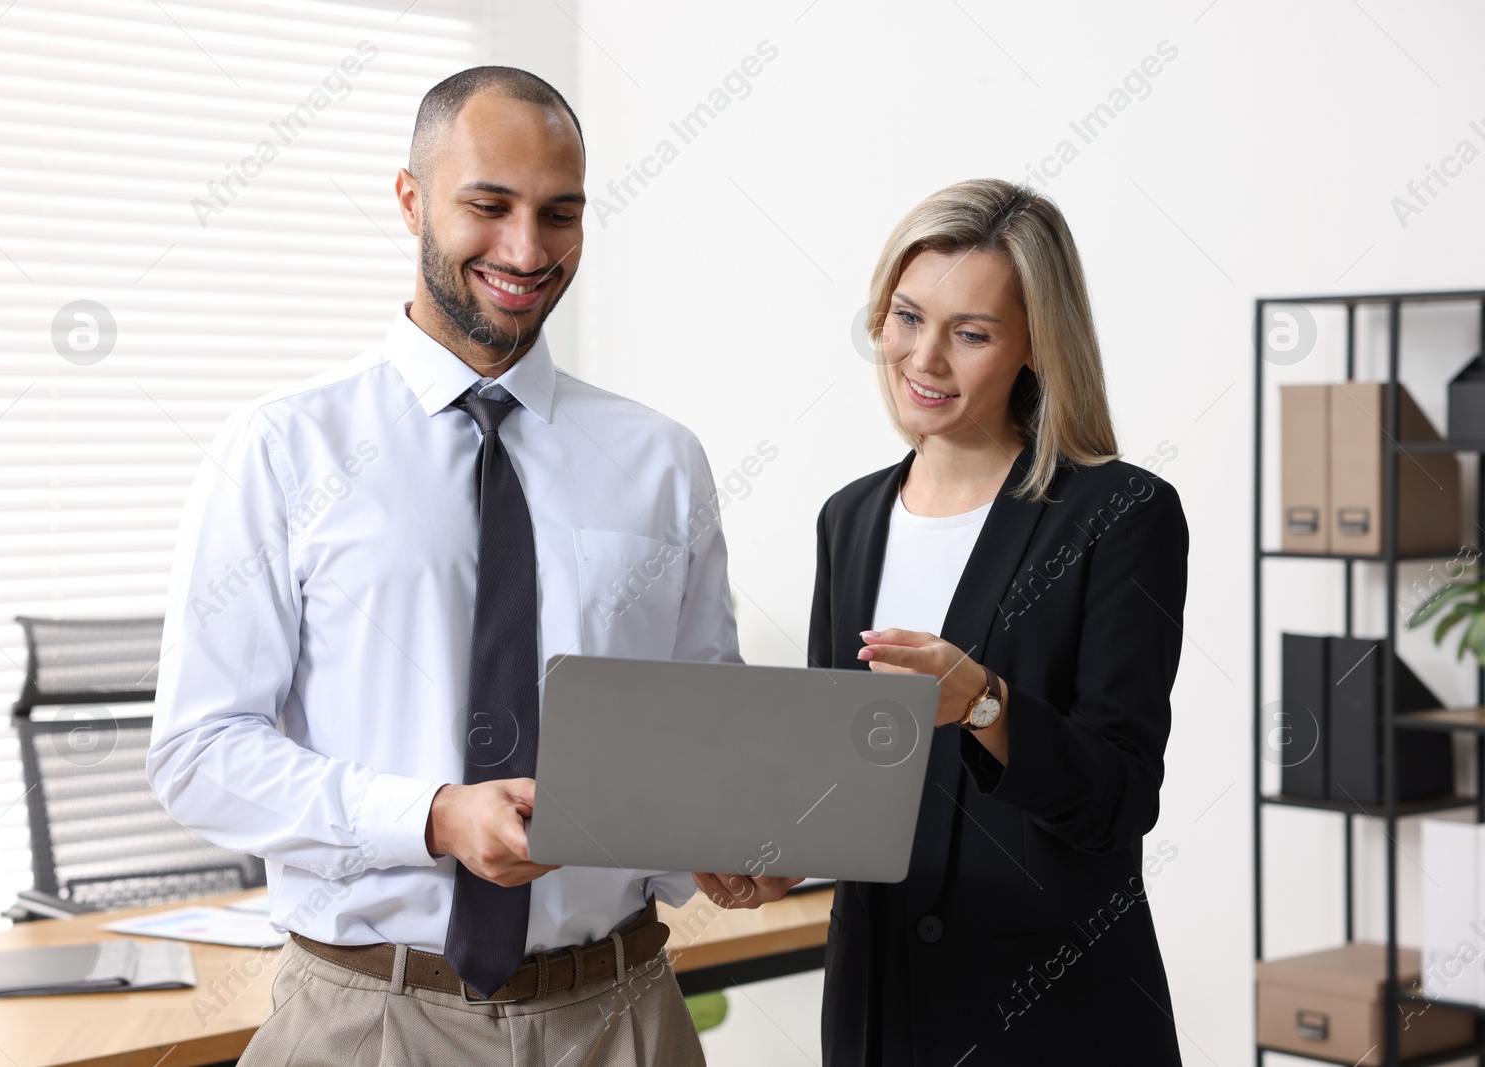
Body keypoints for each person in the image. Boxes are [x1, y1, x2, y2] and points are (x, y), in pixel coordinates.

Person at [148, 65, 773, 1065]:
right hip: (372, 1019)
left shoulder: (660, 459)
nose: (526, 250)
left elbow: (693, 725)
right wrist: (432, 816)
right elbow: (199, 752)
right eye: (488, 206)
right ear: (410, 199)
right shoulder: (280, 449)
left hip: (621, 1015)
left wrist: (722, 840)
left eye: (559, 214)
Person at [789, 178, 1188, 1064]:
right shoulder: (847, 519)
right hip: (878, 1012)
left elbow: (1120, 799)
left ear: (1037, 347)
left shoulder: (1118, 513)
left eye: (970, 334)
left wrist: (983, 701)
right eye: (905, 317)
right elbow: (839, 777)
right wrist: (776, 853)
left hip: (1047, 1017)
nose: (923, 359)